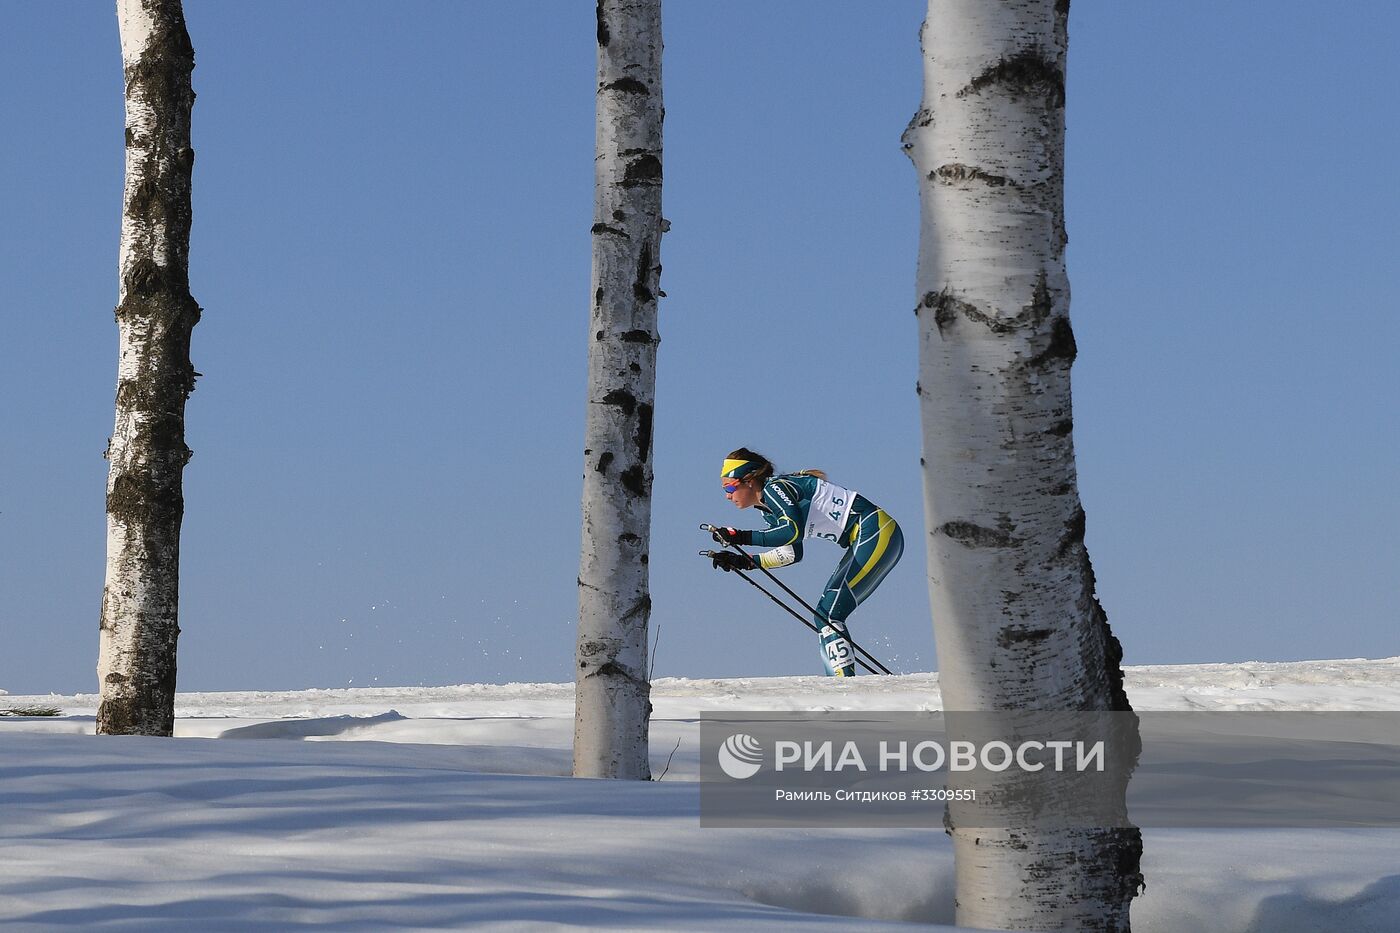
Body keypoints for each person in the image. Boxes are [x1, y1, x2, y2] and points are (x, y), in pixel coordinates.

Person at [710, 447, 903, 677]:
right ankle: (842, 682)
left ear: (749, 480)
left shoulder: (775, 489)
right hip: (868, 537)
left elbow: (791, 531)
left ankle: (844, 685)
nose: (727, 495)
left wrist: (739, 536)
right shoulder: (767, 509)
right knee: (824, 615)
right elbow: (792, 553)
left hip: (875, 532)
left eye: (729, 487)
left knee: (829, 614)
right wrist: (745, 561)